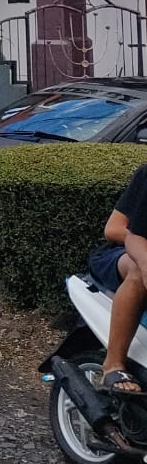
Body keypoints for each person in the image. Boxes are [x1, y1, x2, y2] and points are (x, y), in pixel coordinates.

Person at [88, 162, 147, 393]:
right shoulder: (145, 175)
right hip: (122, 253)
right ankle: (113, 364)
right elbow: (115, 230)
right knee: (137, 269)